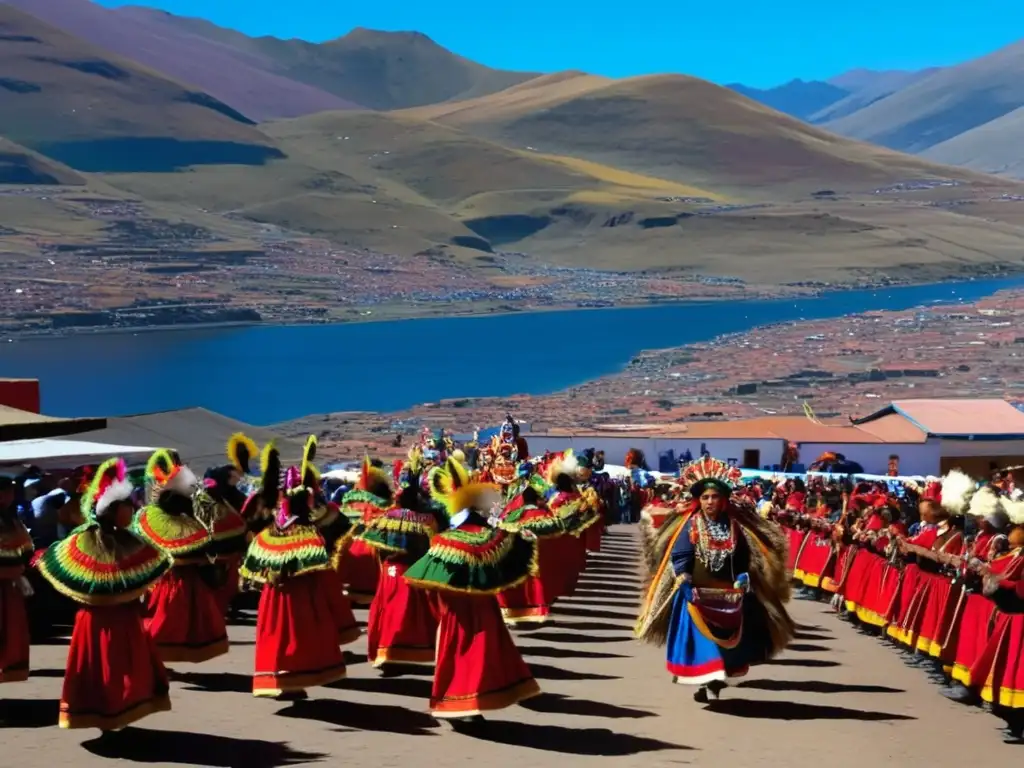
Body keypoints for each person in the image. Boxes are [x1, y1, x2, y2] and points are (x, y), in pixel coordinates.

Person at [636, 456, 794, 703]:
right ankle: (710, 681)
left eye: (715, 497)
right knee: (706, 646)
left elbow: (743, 559)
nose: (710, 502)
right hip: (696, 596)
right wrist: (685, 580)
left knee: (726, 648)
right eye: (705, 497)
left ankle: (715, 683)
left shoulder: (735, 528)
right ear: (698, 500)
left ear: (723, 500)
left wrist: (743, 578)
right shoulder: (690, 527)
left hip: (729, 597)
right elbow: (681, 557)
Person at [35, 457, 172, 730]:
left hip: (126, 617)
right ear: (111, 509)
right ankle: (105, 715)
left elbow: (154, 564)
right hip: (97, 620)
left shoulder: (130, 539)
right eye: (127, 506)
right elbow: (56, 565)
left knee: (124, 668)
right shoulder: (85, 539)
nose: (132, 510)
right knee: (102, 668)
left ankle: (120, 713)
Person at [404, 457, 540, 726]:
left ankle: (458, 704)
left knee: (457, 656)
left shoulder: (445, 541)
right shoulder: (492, 537)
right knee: (482, 655)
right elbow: (513, 562)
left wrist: (440, 609)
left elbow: (428, 582)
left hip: (454, 613)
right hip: (484, 609)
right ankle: (472, 702)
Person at [240, 444, 349, 699]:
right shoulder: (310, 534)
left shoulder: (270, 533)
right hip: (301, 595)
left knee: (276, 635)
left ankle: (279, 681)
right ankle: (293, 680)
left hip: (273, 595)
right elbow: (321, 561)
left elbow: (255, 563)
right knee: (297, 636)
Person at [135, 450, 228, 664]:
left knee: (176, 620)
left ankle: (154, 658)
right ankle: (150, 658)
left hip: (178, 577)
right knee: (167, 621)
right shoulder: (161, 513)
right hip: (172, 578)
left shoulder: (171, 512)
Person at [359, 464, 441, 668]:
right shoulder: (428, 520)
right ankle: (416, 648)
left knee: (389, 610)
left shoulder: (386, 519)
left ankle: (387, 650)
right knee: (417, 612)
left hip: (391, 571)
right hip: (418, 570)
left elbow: (374, 546)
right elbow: (434, 545)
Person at [0, 477, 33, 683]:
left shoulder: (12, 519)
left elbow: (24, 547)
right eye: (5, 492)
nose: (9, 497)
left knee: (10, 634)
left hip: (10, 586)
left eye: (11, 492)